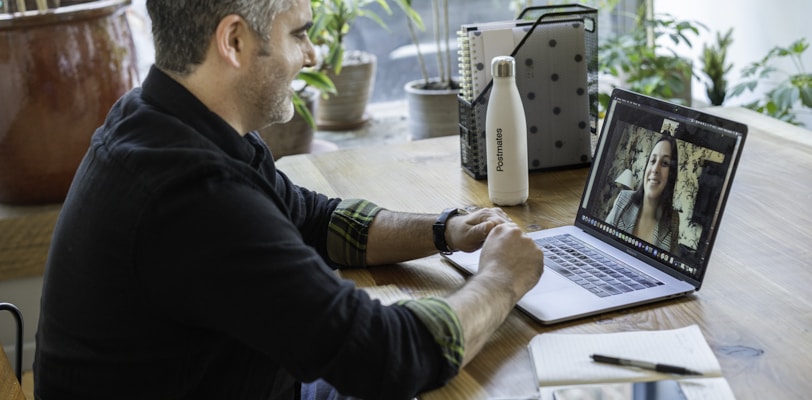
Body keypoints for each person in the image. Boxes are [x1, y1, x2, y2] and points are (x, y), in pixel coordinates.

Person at [32, 1, 545, 399]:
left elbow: (315, 220)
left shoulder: (165, 119)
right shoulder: (194, 196)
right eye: (299, 32)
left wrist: (445, 229)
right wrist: (502, 278)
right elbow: (388, 356)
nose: (314, 54)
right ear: (234, 40)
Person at [606, 134, 680, 253]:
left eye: (665, 163)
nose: (655, 169)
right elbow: (601, 241)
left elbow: (671, 266)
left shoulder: (673, 220)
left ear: (671, 175)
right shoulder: (623, 199)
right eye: (653, 161)